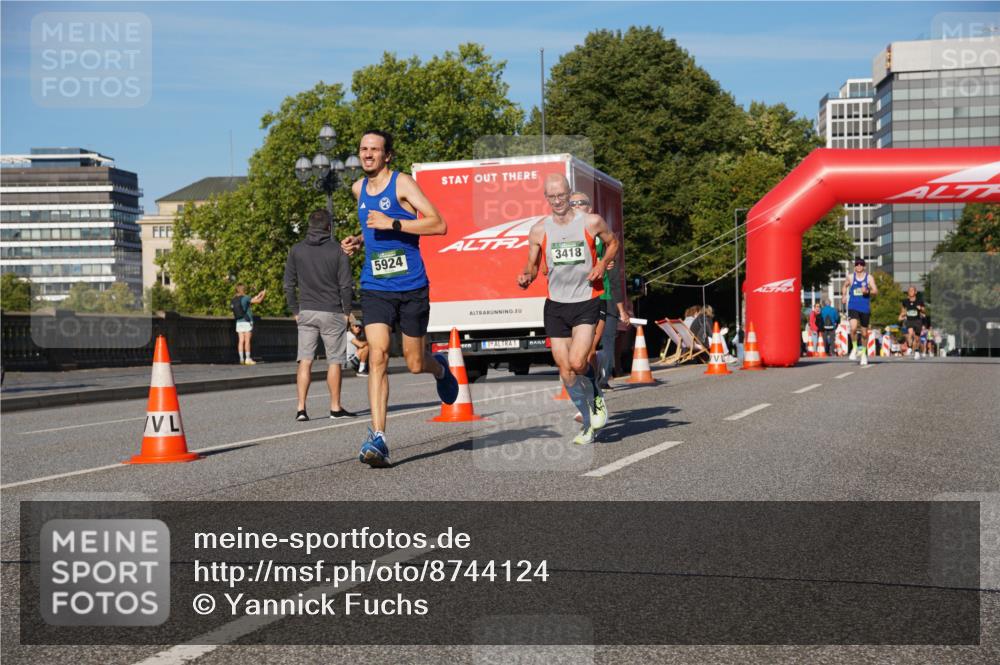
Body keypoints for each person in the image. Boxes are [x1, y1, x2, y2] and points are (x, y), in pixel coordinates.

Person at [340, 130, 459, 467]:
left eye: (374, 149)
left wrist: (393, 223)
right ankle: (378, 436)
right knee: (377, 355)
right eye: (363, 149)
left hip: (411, 286)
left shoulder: (402, 184)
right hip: (375, 286)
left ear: (387, 155)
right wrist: (358, 242)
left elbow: (438, 224)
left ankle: (440, 368)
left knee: (414, 362)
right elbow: (372, 229)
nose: (367, 154)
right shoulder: (358, 189)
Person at [517, 173, 618, 445]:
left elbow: (613, 243)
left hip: (586, 300)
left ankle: (596, 395)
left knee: (577, 362)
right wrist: (526, 276)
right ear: (546, 198)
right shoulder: (539, 230)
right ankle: (587, 421)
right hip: (556, 305)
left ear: (569, 194)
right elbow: (532, 266)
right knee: (565, 371)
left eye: (561, 195)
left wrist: (601, 264)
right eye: (552, 196)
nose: (557, 201)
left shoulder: (591, 222)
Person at [284, 209, 356, 422]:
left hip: (306, 311)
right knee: (334, 361)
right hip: (332, 311)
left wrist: (295, 311)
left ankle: (301, 409)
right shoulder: (338, 251)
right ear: (329, 227)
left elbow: (288, 284)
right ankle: (335, 407)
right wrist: (347, 312)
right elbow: (346, 286)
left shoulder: (296, 250)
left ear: (309, 226)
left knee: (305, 361)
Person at [568, 191, 629, 396]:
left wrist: (605, 262)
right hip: (571, 298)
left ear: (589, 208)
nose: (576, 206)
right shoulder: (562, 233)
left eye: (581, 203)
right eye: (572, 203)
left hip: (599, 295)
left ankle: (593, 390)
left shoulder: (598, 231)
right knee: (574, 352)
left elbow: (613, 250)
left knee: (591, 347)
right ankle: (586, 383)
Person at [841, 257, 878, 366]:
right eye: (857, 264)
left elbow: (875, 291)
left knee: (864, 333)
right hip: (853, 306)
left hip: (864, 308)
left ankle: (863, 354)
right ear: (855, 266)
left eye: (861, 264)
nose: (859, 266)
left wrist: (867, 291)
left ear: (864, 266)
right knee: (853, 328)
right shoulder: (851, 277)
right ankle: (855, 348)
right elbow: (844, 286)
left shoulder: (869, 278)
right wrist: (843, 295)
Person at [232, 284, 266, 365]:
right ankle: (247, 359)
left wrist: (259, 295)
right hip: (247, 321)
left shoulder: (234, 299)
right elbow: (258, 301)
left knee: (241, 341)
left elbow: (252, 299)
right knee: (247, 341)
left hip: (239, 322)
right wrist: (263, 295)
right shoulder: (246, 297)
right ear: (243, 290)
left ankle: (241, 359)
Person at [898, 286, 926, 359]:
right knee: (910, 333)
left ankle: (917, 351)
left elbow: (924, 310)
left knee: (917, 338)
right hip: (909, 320)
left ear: (915, 292)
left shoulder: (919, 301)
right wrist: (902, 315)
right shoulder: (905, 301)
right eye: (909, 290)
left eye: (912, 290)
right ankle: (910, 347)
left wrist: (920, 308)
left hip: (917, 320)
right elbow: (903, 310)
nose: (910, 292)